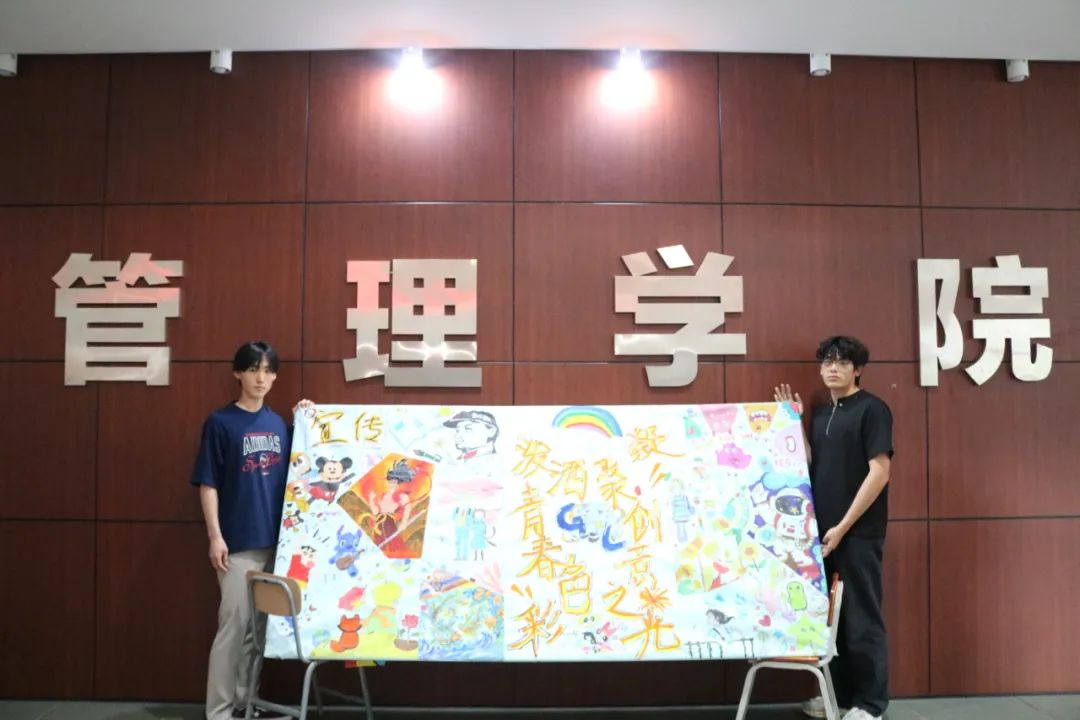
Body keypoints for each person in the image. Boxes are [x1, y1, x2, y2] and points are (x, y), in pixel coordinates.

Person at [775, 335, 893, 720]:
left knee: (863, 619)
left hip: (857, 534)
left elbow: (880, 472)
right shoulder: (823, 412)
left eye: (842, 362)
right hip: (822, 535)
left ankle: (871, 704)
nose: (833, 368)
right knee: (833, 622)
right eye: (827, 361)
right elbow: (811, 462)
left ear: (858, 370)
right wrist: (792, 421)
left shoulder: (873, 410)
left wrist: (843, 526)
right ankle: (840, 700)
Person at [191, 340, 310, 720]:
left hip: (277, 545)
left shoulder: (278, 425)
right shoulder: (220, 423)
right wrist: (215, 536)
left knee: (257, 632)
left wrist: (305, 420)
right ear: (238, 373)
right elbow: (208, 483)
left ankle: (246, 704)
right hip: (237, 545)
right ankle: (219, 712)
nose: (261, 378)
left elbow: (301, 468)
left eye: (268, 371)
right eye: (254, 369)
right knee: (233, 628)